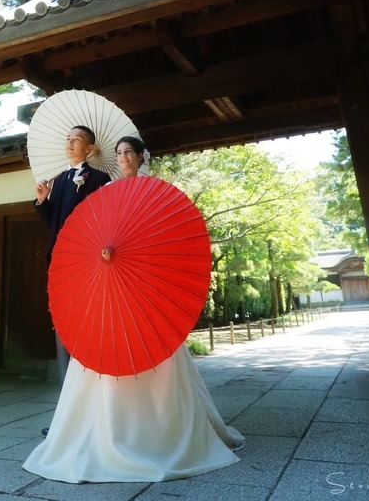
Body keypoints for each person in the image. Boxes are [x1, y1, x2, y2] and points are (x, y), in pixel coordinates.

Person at [23, 135, 245, 483]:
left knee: (153, 348)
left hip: (144, 283)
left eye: (129, 153)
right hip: (110, 279)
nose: (124, 157)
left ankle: (157, 431)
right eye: (120, 153)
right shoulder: (103, 191)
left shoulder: (154, 193)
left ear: (141, 157)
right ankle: (98, 428)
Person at [34, 125, 111, 382]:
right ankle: (67, 389)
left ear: (89, 148)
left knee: (86, 320)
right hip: (59, 262)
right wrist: (44, 200)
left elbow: (103, 221)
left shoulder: (100, 179)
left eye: (75, 140)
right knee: (61, 322)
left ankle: (90, 380)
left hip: (86, 262)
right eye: (67, 139)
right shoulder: (60, 180)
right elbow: (54, 224)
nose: (69, 143)